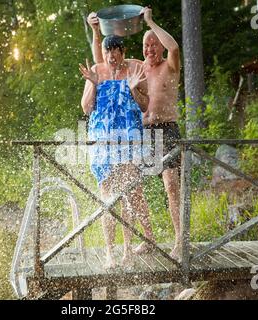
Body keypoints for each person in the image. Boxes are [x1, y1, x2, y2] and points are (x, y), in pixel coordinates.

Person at [88, 7, 183, 260]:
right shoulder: (137, 66)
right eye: (146, 45)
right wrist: (96, 31)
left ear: (160, 46)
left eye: (154, 45)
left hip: (166, 130)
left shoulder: (169, 65)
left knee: (171, 185)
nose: (150, 49)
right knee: (134, 189)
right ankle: (149, 239)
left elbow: (173, 47)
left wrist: (150, 22)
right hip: (142, 133)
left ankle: (179, 241)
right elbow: (104, 64)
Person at [79, 35, 155, 269]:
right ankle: (110, 253)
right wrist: (93, 83)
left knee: (130, 195)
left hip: (129, 141)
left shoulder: (135, 69)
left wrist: (134, 90)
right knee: (108, 200)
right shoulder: (96, 71)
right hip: (102, 144)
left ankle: (128, 250)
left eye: (116, 51)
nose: (111, 56)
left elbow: (145, 105)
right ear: (102, 52)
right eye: (107, 51)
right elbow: (86, 108)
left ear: (123, 52)